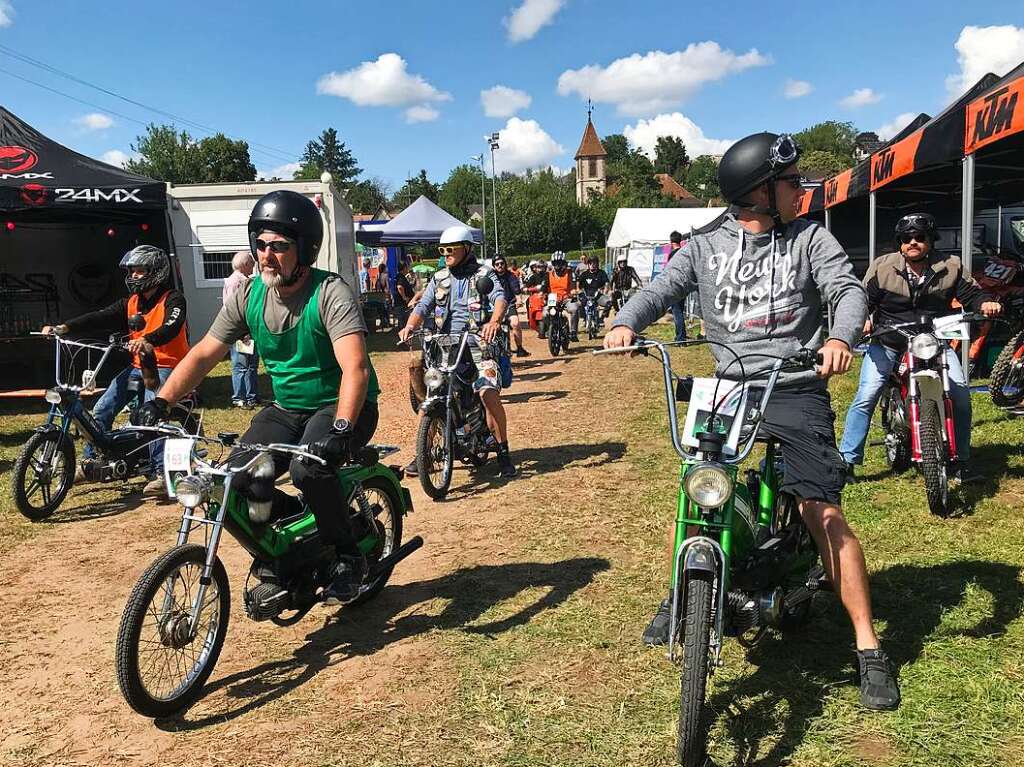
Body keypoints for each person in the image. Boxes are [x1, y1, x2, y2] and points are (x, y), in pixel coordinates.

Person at [605, 132, 901, 711]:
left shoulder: (811, 239)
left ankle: (868, 646)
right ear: (759, 192)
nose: (801, 190)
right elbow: (661, 289)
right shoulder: (704, 245)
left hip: (794, 385)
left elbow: (845, 291)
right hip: (728, 388)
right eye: (792, 182)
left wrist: (840, 337)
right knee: (696, 493)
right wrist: (625, 321)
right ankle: (680, 594)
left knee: (822, 509)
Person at [139, 190, 380, 604]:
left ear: (304, 249)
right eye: (261, 244)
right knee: (236, 476)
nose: (267, 254)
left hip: (340, 404)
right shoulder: (249, 296)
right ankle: (295, 544)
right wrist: (161, 401)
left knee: (310, 470)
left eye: (280, 246)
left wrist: (341, 428)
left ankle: (346, 555)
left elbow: (355, 368)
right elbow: (203, 355)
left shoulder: (329, 293)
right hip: (287, 408)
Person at [839, 213, 1001, 483]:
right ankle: (846, 461)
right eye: (906, 239)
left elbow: (973, 294)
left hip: (932, 339)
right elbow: (862, 300)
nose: (913, 242)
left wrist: (985, 303)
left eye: (919, 237)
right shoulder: (883, 266)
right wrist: (864, 319)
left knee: (960, 395)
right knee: (866, 395)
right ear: (899, 243)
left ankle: (961, 460)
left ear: (930, 240)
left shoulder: (951, 266)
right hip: (889, 338)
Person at [43, 245, 189, 497]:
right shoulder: (131, 302)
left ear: (156, 271)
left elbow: (172, 326)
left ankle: (159, 473)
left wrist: (149, 340)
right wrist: (64, 327)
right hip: (137, 366)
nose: (133, 276)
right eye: (131, 271)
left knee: (151, 417)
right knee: (103, 407)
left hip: (168, 366)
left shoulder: (173, 299)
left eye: (139, 271)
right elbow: (100, 316)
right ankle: (91, 463)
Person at [398, 225, 517, 478]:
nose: (446, 253)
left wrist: (494, 321)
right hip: (446, 346)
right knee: (432, 394)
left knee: (486, 392)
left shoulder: (484, 274)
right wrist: (410, 325)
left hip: (479, 343)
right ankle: (425, 452)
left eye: (451, 249)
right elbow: (424, 305)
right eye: (443, 249)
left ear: (466, 248)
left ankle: (503, 450)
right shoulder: (439, 277)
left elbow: (500, 298)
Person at [223, 250, 260, 408]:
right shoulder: (236, 282)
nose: (253, 265)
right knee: (242, 365)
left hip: (247, 330)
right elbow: (235, 308)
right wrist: (243, 332)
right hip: (241, 330)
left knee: (251, 364)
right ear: (245, 264)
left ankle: (251, 396)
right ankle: (240, 397)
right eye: (251, 262)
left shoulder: (244, 280)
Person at [528, 251, 579, 340]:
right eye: (555, 263)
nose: (557, 266)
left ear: (563, 263)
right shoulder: (549, 274)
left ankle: (573, 332)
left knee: (574, 308)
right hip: (553, 298)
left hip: (567, 297)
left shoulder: (570, 273)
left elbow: (573, 285)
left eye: (559, 263)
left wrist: (574, 291)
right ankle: (552, 327)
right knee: (545, 314)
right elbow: (544, 286)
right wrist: (541, 293)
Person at [492, 255, 530, 357]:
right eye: (497, 264)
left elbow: (516, 290)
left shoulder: (511, 276)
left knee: (515, 323)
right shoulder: (491, 276)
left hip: (509, 305)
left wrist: (519, 299)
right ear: (494, 266)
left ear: (505, 264)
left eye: (502, 263)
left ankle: (520, 348)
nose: (500, 266)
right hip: (493, 307)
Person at [666, 231, 689, 342]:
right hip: (685, 285)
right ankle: (682, 335)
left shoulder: (672, 255)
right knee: (680, 311)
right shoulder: (684, 252)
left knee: (677, 312)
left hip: (675, 285)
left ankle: (680, 338)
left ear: (671, 242)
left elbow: (669, 271)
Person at [577, 255, 611, 330]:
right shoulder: (584, 274)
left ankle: (601, 319)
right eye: (590, 263)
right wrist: (578, 290)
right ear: (588, 264)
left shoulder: (602, 273)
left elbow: (607, 283)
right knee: (579, 304)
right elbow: (578, 284)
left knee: (609, 303)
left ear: (597, 264)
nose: (592, 265)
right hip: (587, 295)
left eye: (594, 263)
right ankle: (584, 319)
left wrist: (605, 290)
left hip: (598, 295)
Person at [394, 258, 417, 331]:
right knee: (403, 323)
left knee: (404, 322)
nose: (408, 269)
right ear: (404, 268)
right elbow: (399, 287)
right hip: (401, 304)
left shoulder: (402, 277)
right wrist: (404, 297)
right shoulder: (400, 277)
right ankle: (404, 339)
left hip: (402, 304)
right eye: (407, 267)